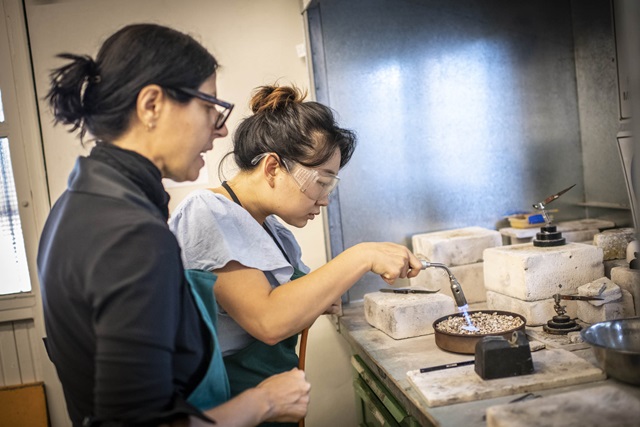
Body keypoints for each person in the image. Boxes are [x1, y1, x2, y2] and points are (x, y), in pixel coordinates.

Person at [37, 24, 310, 427]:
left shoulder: (77, 204)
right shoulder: (129, 234)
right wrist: (263, 402)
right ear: (151, 105)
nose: (219, 130)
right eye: (208, 107)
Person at [168, 84, 423, 422]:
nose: (324, 199)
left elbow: (299, 300)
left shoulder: (277, 234)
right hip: (225, 410)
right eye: (321, 181)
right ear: (273, 168)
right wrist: (360, 255)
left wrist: (318, 298)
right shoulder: (206, 213)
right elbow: (268, 320)